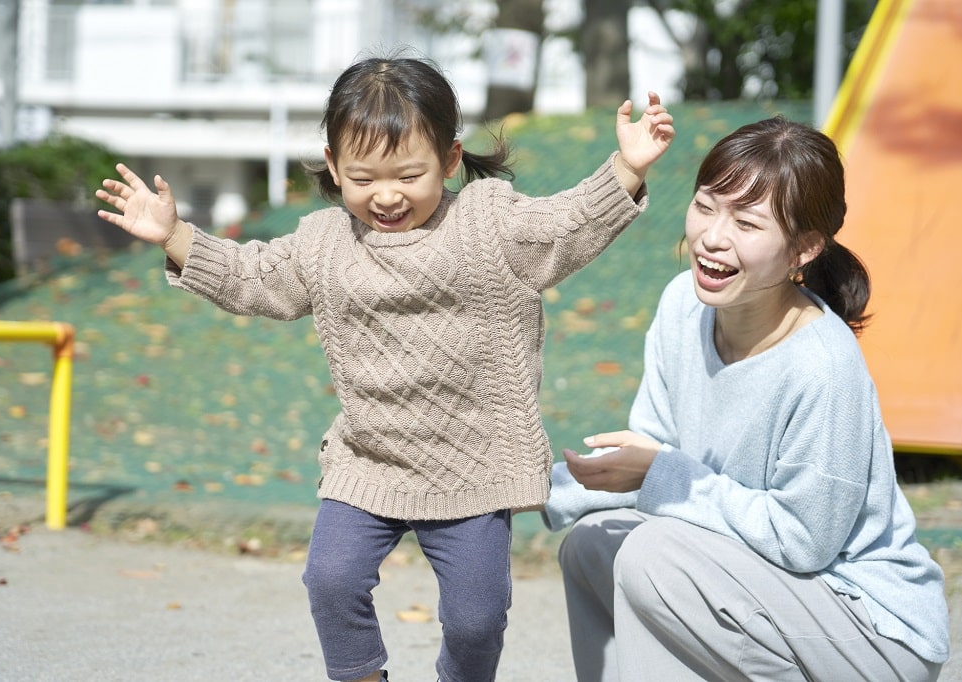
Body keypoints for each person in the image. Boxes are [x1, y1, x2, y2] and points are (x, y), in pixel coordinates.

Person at [95, 54, 675, 682]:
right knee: (330, 579)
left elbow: (565, 224)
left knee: (478, 619)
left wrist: (626, 168)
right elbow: (253, 277)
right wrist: (175, 234)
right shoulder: (324, 244)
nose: (388, 195)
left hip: (474, 466)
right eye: (364, 178)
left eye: (409, 174)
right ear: (334, 167)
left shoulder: (487, 223)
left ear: (450, 161)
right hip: (368, 460)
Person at [540, 117, 950, 681]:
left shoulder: (822, 367)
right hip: (760, 584)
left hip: (867, 629)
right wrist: (527, 487)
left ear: (803, 249)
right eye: (706, 206)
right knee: (594, 546)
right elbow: (654, 461)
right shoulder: (682, 304)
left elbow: (804, 541)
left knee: (653, 557)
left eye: (747, 223)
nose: (713, 236)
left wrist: (661, 474)